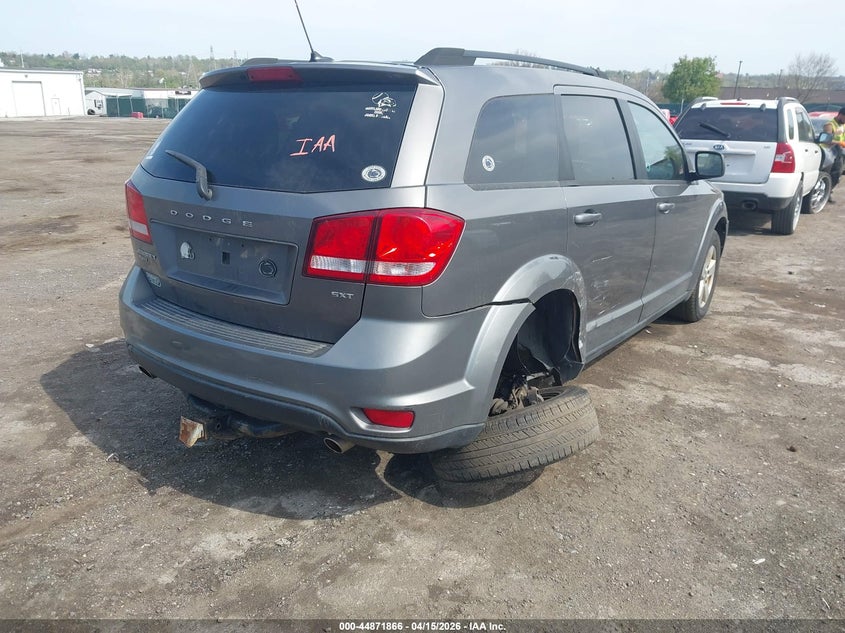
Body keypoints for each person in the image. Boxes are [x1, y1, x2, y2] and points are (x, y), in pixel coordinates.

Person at [824, 107, 845, 195]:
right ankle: (826, 193)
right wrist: (840, 143)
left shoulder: (843, 125)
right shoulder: (829, 125)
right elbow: (826, 140)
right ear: (840, 115)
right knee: (830, 174)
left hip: (839, 152)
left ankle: (828, 192)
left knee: (837, 174)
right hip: (829, 152)